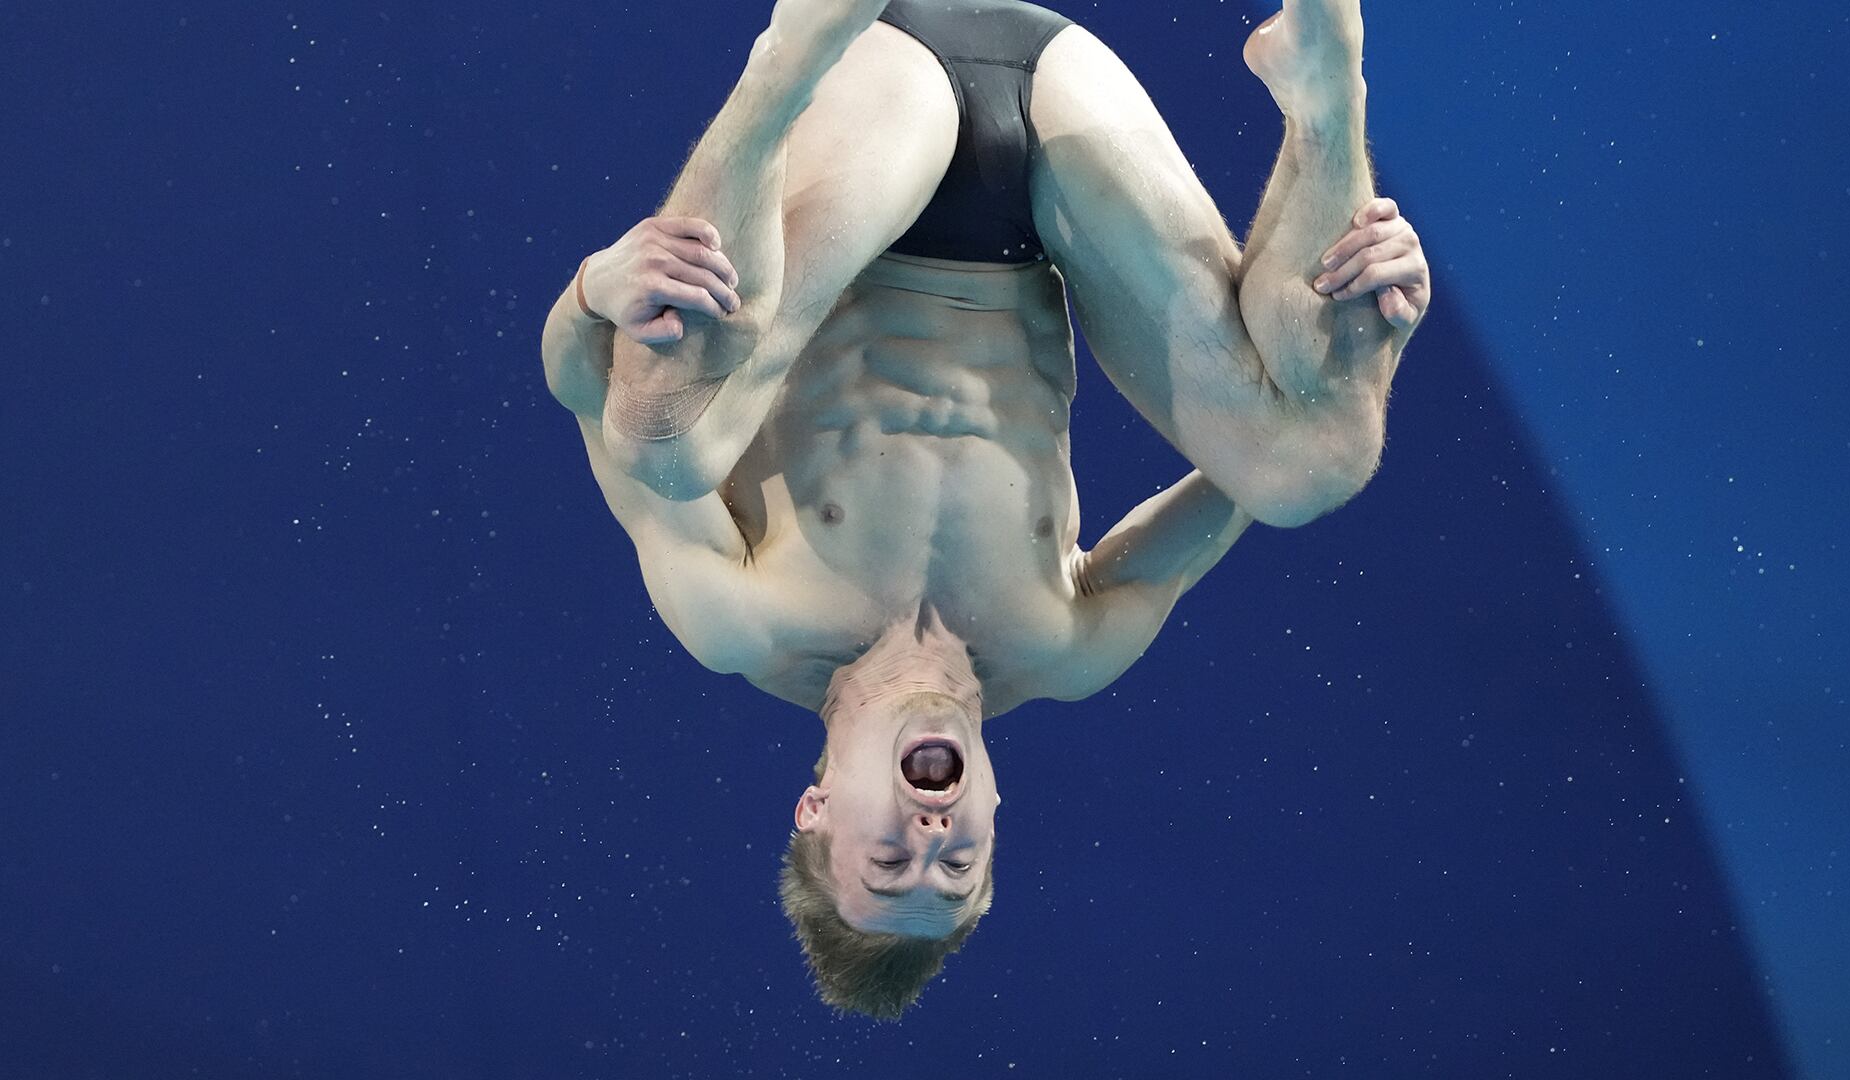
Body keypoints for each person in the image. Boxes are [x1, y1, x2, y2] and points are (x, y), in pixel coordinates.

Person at [539, 0, 1431, 1019]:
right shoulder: (1065, 648)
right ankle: (1326, 96)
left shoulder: (742, 620)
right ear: (995, 815)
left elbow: (581, 385)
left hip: (878, 113)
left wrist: (595, 288)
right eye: (959, 867)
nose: (930, 837)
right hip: (1058, 142)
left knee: (663, 443)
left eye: (888, 863)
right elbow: (1247, 482)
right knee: (1312, 468)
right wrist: (1359, 352)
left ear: (816, 808)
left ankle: (787, 58)